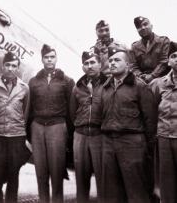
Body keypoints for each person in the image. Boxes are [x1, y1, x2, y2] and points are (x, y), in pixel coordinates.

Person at [101, 46, 157, 203]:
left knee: (136, 191)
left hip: (132, 143)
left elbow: (150, 120)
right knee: (111, 192)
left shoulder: (140, 87)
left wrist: (148, 148)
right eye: (110, 60)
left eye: (117, 60)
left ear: (128, 65)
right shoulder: (105, 88)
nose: (112, 63)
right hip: (108, 143)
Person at [27, 44, 75, 203]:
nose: (49, 60)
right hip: (38, 127)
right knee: (41, 171)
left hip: (57, 127)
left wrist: (68, 133)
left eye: (52, 57)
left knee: (56, 171)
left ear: (56, 58)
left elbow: (71, 109)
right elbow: (29, 108)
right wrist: (29, 132)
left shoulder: (67, 81)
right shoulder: (33, 81)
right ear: (42, 60)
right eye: (46, 57)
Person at [0, 52, 30, 203]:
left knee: (13, 175)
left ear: (18, 68)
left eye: (14, 66)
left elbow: (25, 112)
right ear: (3, 66)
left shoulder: (24, 88)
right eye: (8, 65)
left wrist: (19, 131)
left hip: (16, 137)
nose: (10, 68)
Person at [70, 51, 107, 203]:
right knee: (81, 177)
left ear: (100, 64)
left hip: (100, 135)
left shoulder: (109, 84)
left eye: (93, 62)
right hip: (81, 135)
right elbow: (72, 113)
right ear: (83, 67)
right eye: (86, 63)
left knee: (103, 178)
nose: (90, 66)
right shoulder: (77, 87)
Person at [150, 41, 177, 203]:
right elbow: (151, 112)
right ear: (168, 61)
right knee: (167, 184)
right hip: (164, 139)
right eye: (173, 56)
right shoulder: (158, 84)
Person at [130, 16, 170, 83]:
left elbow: (163, 62)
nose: (143, 28)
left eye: (145, 24)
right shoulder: (134, 46)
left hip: (162, 78)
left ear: (151, 26)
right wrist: (140, 76)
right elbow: (133, 66)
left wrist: (152, 76)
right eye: (139, 27)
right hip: (142, 79)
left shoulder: (163, 41)